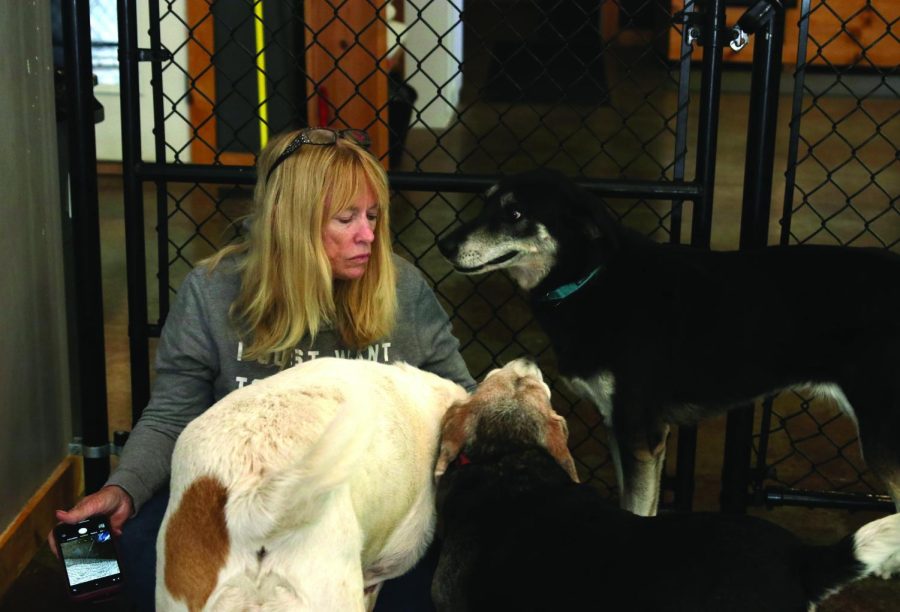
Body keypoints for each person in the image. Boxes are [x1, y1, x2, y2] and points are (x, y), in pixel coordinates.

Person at [51, 127, 475, 611]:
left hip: (362, 513)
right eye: (346, 218)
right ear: (289, 221)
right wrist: (120, 488)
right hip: (244, 504)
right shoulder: (211, 291)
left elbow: (463, 401)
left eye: (373, 216)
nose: (368, 236)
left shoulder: (403, 288)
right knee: (83, 556)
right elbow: (170, 415)